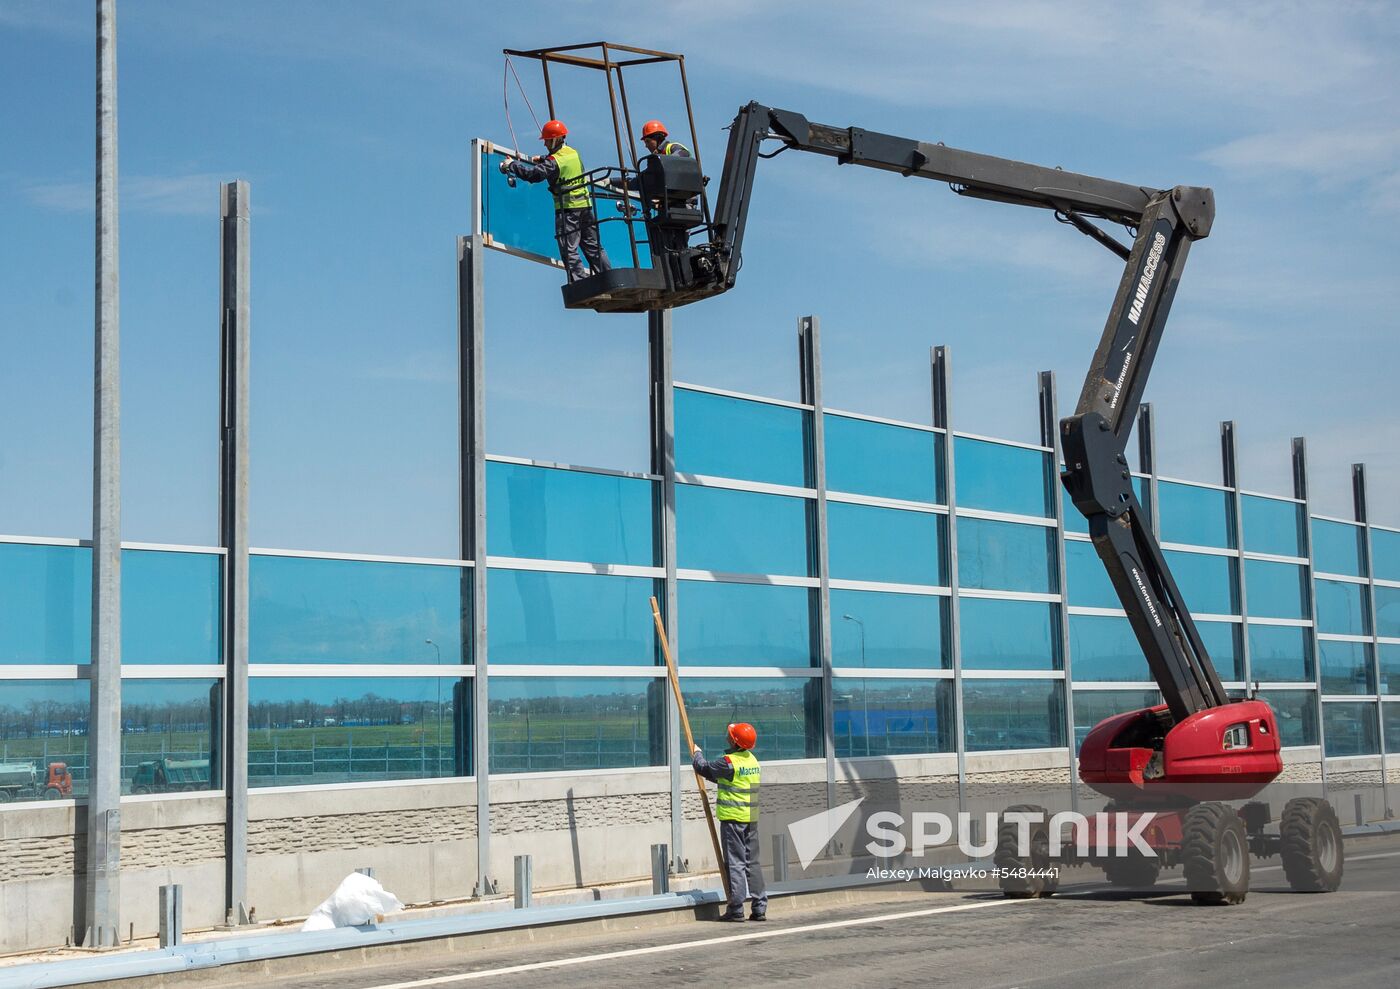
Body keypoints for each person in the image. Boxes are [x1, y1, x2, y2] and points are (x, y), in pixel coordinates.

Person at [499, 119, 612, 282]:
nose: (545, 144)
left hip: (568, 210)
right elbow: (561, 163)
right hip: (586, 207)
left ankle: (579, 281)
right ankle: (608, 278)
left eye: (547, 140)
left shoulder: (554, 162)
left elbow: (533, 175)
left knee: (569, 249)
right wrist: (544, 159)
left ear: (555, 139)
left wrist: (511, 165)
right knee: (594, 248)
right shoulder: (573, 153)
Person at [692, 722, 767, 922]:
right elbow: (727, 779)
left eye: (730, 734)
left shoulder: (729, 763)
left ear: (734, 741)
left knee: (735, 864)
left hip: (733, 820)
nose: (727, 735)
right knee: (752, 863)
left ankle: (736, 909)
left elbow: (703, 768)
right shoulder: (752, 760)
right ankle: (759, 907)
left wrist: (697, 753)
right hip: (750, 819)